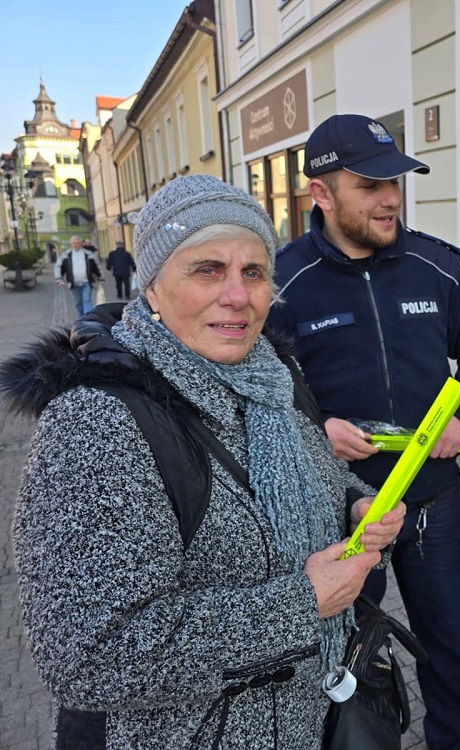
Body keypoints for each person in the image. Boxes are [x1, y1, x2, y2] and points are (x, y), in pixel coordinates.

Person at [1, 174, 404, 749]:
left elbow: (321, 470)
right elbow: (85, 658)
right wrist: (301, 604)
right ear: (152, 289)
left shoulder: (274, 377)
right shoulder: (96, 422)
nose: (238, 296)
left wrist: (356, 504)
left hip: (308, 721)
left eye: (253, 272)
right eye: (208, 270)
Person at [267, 113, 460, 750]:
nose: (390, 198)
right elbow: (258, 390)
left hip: (434, 502)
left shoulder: (437, 266)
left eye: (394, 182)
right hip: (341, 513)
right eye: (370, 185)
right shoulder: (280, 284)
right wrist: (315, 430)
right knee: (342, 656)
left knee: (453, 647)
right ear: (321, 193)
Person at [55, 235, 103, 317]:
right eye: (73, 243)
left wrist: (101, 277)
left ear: (81, 243)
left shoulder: (89, 254)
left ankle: (88, 319)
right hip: (74, 284)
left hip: (87, 282)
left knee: (87, 300)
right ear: (71, 244)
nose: (75, 245)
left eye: (77, 243)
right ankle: (81, 318)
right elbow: (58, 266)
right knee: (78, 303)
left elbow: (97, 266)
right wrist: (59, 278)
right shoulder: (66, 255)